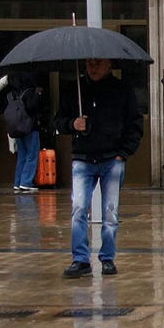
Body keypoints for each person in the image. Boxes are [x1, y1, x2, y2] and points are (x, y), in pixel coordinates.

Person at [55, 58, 143, 279]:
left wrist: (124, 152)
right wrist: (72, 124)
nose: (93, 67)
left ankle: (107, 258)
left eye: (98, 63)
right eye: (90, 63)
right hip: (83, 159)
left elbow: (135, 122)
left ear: (109, 65)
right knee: (78, 209)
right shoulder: (74, 89)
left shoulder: (122, 90)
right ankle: (80, 259)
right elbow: (58, 120)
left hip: (111, 159)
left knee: (110, 212)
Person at [6, 73, 45, 193]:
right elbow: (32, 107)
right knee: (32, 155)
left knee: (22, 156)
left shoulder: (11, 95)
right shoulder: (28, 93)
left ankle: (18, 182)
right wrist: (38, 93)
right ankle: (26, 182)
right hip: (30, 128)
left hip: (17, 128)